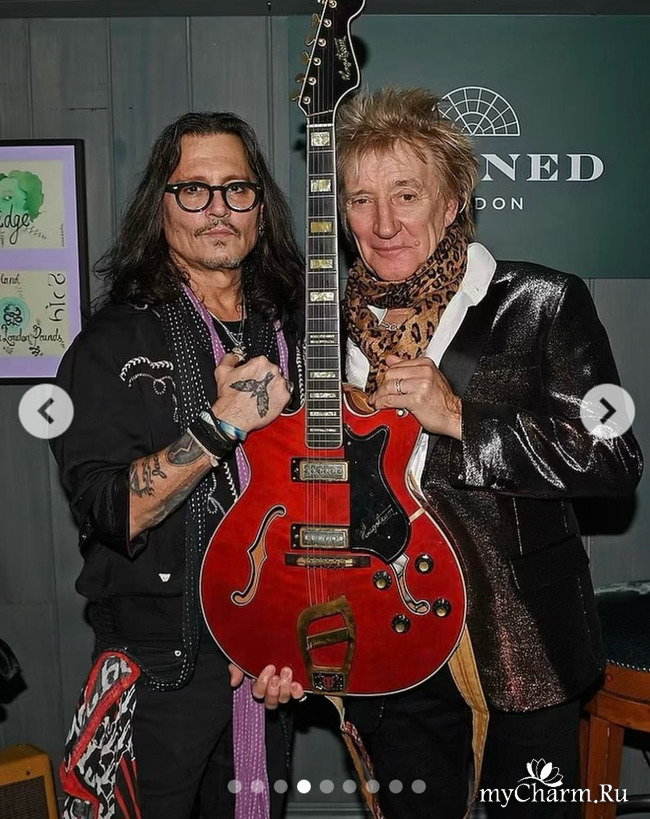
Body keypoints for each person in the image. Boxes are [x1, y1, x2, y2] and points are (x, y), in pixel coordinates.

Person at [335, 87, 643, 818]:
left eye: (406, 195)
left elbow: (612, 458)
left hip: (519, 640)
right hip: (386, 634)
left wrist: (458, 417)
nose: (383, 224)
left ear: (451, 202)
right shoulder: (320, 327)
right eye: (361, 200)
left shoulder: (542, 301)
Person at [51, 112, 304, 819]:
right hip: (161, 665)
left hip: (269, 651)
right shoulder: (110, 343)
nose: (217, 208)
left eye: (237, 189)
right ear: (159, 207)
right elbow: (111, 511)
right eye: (194, 190)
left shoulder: (295, 331)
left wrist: (296, 626)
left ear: (261, 207)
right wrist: (222, 424)